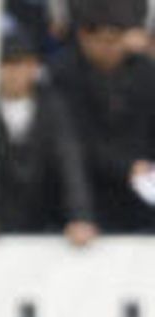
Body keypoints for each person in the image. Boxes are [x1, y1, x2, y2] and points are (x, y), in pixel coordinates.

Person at [0, 31, 97, 242]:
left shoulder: (53, 107)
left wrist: (80, 217)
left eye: (21, 64)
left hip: (48, 221)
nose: (14, 72)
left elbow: (70, 162)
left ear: (34, 67)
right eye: (6, 64)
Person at [47, 0, 155, 232]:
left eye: (117, 39)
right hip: (83, 199)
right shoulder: (63, 74)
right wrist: (126, 167)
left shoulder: (145, 72)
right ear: (83, 36)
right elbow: (70, 141)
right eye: (104, 40)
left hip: (141, 200)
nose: (111, 48)